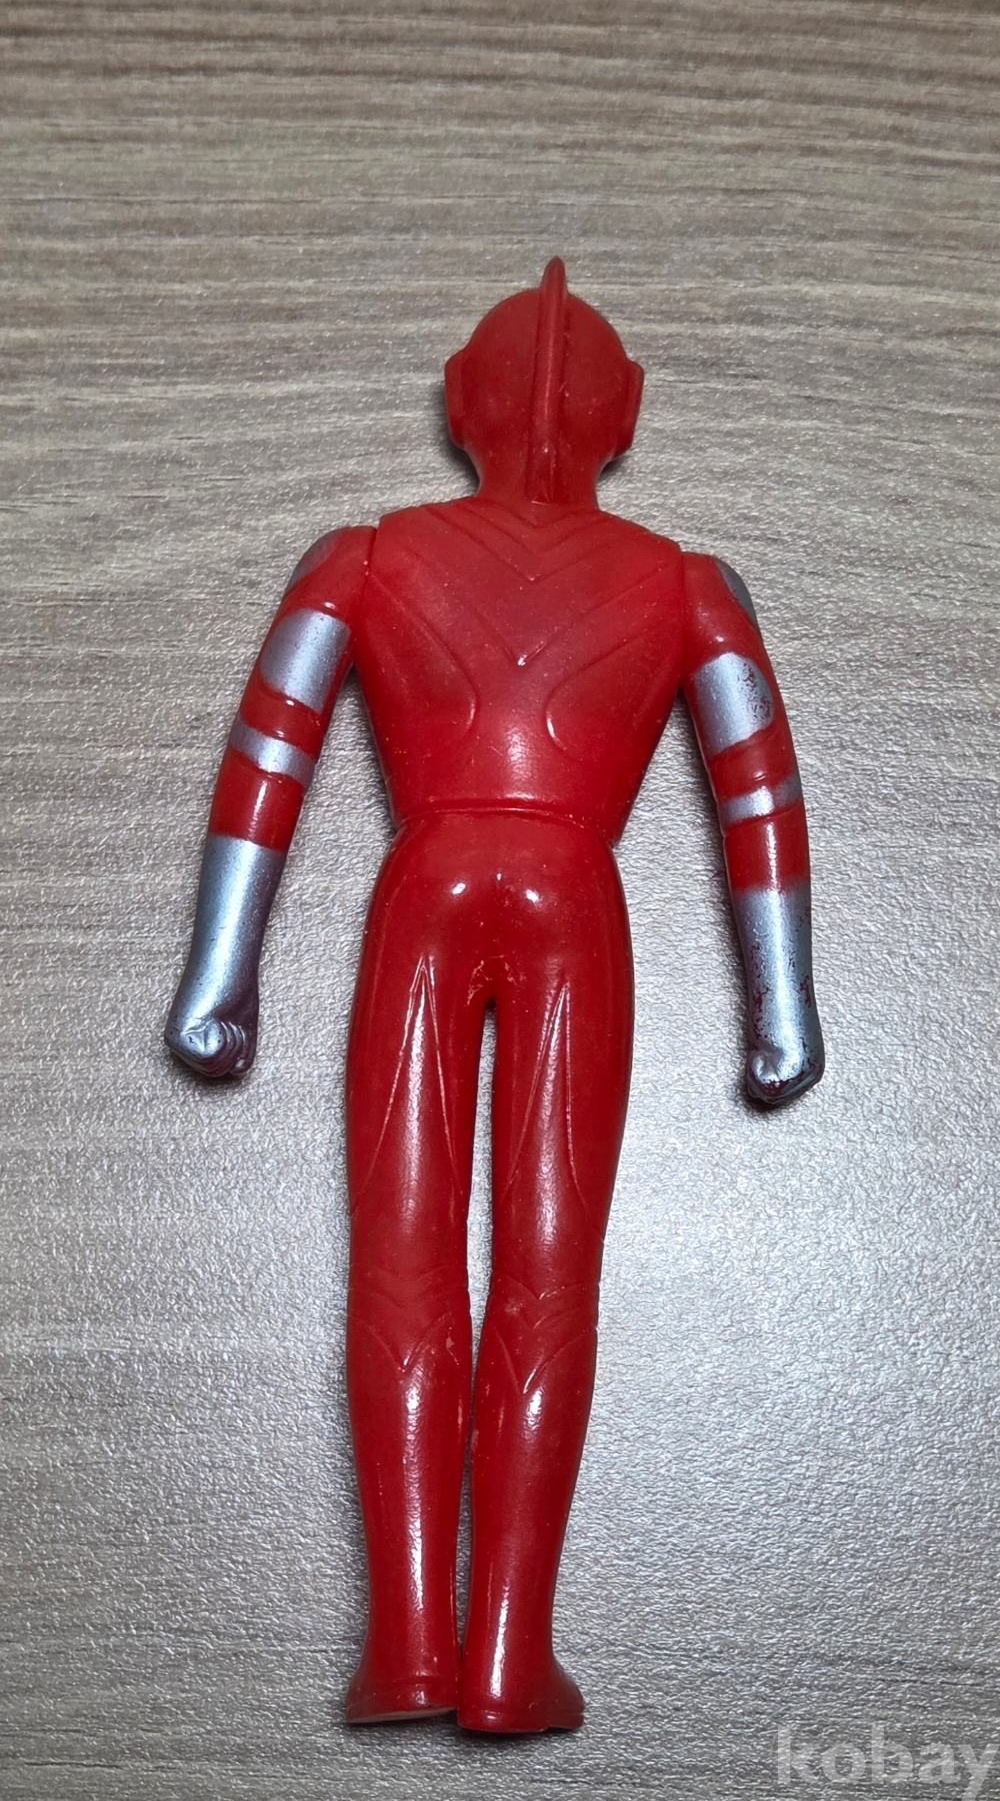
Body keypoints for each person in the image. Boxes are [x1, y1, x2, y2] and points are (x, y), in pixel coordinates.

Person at [165, 259, 824, 1733]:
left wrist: (222, 973)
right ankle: (510, 1658)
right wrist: (782, 1004)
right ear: (625, 416)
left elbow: (269, 757)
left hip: (427, 884)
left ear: (461, 401)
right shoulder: (685, 586)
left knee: (400, 1259)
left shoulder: (365, 557)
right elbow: (760, 798)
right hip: (576, 903)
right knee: (549, 1269)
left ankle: (411, 1645)